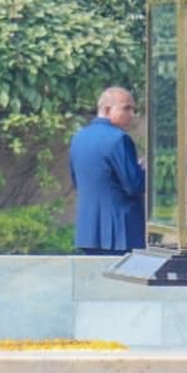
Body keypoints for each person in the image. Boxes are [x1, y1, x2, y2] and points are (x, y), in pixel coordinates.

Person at [69, 86, 145, 255]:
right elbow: (134, 185)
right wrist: (143, 171)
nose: (132, 114)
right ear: (107, 109)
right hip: (120, 230)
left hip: (88, 230)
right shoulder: (119, 139)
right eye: (126, 108)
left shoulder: (78, 138)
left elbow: (77, 181)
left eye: (133, 109)